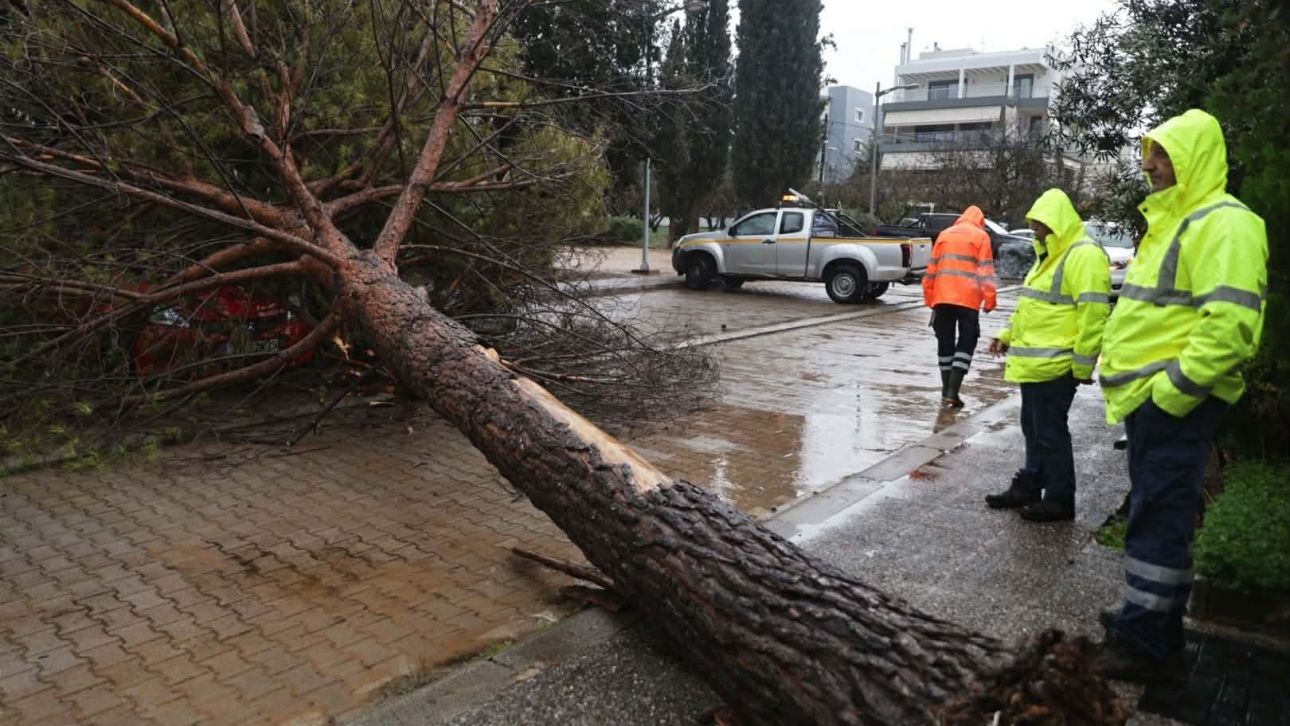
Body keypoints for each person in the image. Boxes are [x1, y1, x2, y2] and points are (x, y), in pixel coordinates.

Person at [1096, 109, 1268, 684]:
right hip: (1157, 400)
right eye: (1149, 152)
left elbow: (1231, 327)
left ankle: (1145, 642)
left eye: (1164, 153)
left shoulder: (1224, 223)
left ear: (1194, 158)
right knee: (1156, 512)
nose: (1150, 164)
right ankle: (1149, 622)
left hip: (1173, 399)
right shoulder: (1176, 220)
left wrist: (1167, 396)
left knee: (1160, 517)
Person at [985, 189, 1111, 522]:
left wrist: (1082, 366)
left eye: (1040, 225)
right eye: (1033, 224)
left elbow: (1094, 313)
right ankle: (1031, 483)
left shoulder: (1082, 255)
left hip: (1057, 365)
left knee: (1050, 432)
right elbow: (1033, 308)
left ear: (1057, 223)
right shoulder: (1049, 257)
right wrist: (1006, 336)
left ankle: (1059, 498)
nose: (1035, 231)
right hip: (1038, 365)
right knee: (1034, 426)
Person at [923, 206, 997, 408]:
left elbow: (931, 270)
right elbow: (985, 271)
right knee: (967, 341)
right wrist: (990, 299)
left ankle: (946, 390)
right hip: (968, 300)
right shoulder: (981, 237)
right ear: (980, 221)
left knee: (945, 343)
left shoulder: (944, 235)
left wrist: (930, 297)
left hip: (942, 298)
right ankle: (952, 391)